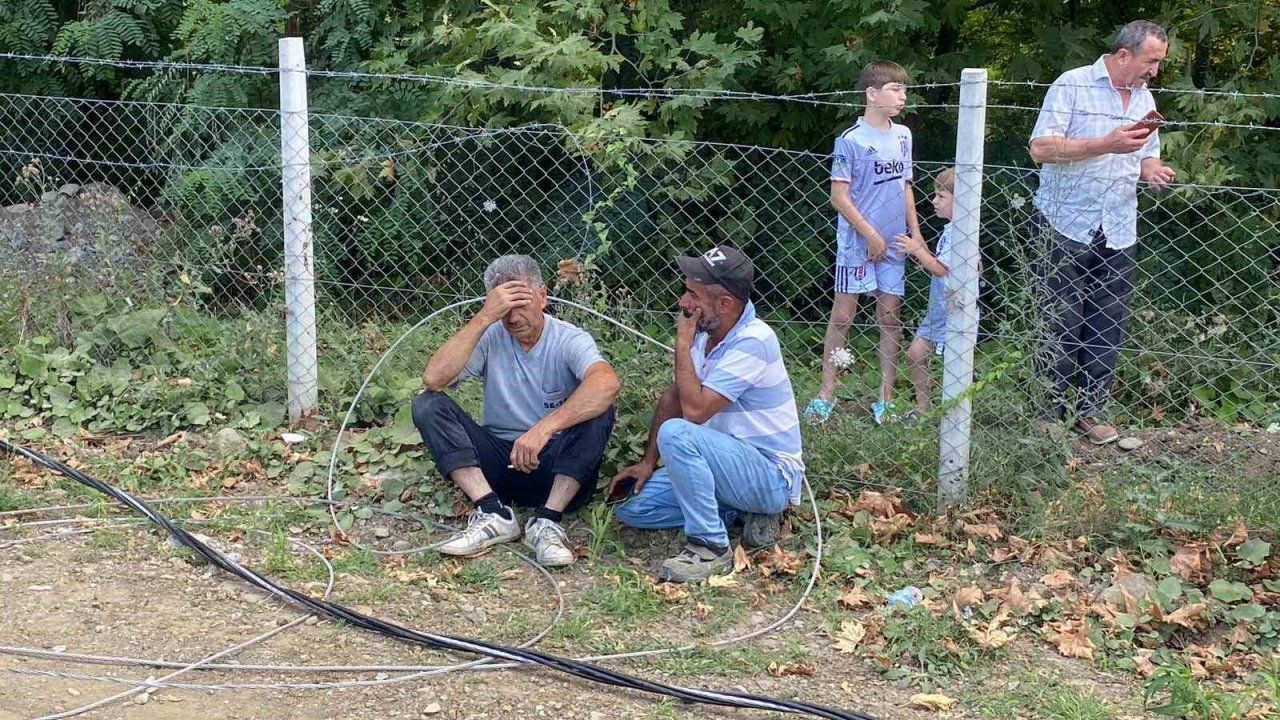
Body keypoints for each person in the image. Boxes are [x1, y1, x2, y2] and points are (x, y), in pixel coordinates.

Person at [611, 245, 805, 583]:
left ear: (725, 304)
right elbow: (675, 395)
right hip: (722, 465)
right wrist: (647, 462)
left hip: (767, 474)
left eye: (692, 295)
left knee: (677, 432)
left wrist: (682, 345)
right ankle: (739, 512)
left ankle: (710, 546)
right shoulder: (708, 331)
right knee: (634, 509)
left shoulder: (754, 340)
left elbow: (696, 412)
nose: (683, 304)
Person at [411, 255, 620, 567]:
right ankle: (492, 512)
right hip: (499, 466)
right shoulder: (491, 334)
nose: (513, 317)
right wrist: (483, 318)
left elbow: (607, 382)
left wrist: (543, 429)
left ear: (543, 297)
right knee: (427, 403)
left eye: (521, 303)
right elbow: (434, 379)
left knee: (600, 408)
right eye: (504, 307)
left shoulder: (568, 338)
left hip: (556, 468)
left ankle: (548, 522)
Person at [1028, 20, 1176, 444]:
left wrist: (1154, 172)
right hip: (1064, 222)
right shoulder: (1072, 85)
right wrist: (1103, 144)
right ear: (1124, 54)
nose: (1155, 72)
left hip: (1119, 226)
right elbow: (1040, 149)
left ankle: (1091, 413)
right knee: (1059, 319)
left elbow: (1146, 157)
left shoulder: (1145, 98)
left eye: (1160, 63)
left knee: (1107, 322)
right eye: (1152, 61)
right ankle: (1049, 414)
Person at [807, 60, 925, 426]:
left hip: (895, 244)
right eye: (895, 89)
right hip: (858, 244)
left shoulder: (904, 135)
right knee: (843, 316)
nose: (903, 96)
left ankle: (885, 399)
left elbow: (905, 186)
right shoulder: (850, 140)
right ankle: (826, 394)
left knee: (890, 319)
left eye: (904, 89)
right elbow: (839, 197)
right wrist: (869, 234)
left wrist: (917, 235)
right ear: (872, 94)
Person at [894, 167, 971, 421]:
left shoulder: (962, 233)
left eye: (941, 196)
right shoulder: (952, 230)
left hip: (954, 311)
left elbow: (940, 269)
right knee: (915, 354)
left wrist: (917, 249)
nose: (933, 201)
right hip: (938, 310)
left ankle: (954, 417)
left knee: (955, 366)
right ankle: (923, 407)